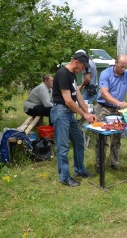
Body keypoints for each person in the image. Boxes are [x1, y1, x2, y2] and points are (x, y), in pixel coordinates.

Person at [50, 51, 97, 187]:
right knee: (63, 146)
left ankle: (80, 170)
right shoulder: (63, 74)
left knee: (78, 141)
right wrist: (84, 115)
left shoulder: (72, 75)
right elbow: (68, 101)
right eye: (83, 66)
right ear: (77, 62)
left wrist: (88, 112)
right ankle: (65, 177)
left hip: (68, 114)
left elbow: (78, 96)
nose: (84, 69)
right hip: (61, 113)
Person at [94, 54, 127, 171]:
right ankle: (100, 165)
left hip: (117, 111)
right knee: (101, 137)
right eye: (122, 66)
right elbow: (104, 93)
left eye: (126, 66)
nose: (124, 69)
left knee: (117, 137)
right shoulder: (106, 74)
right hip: (103, 108)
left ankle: (114, 162)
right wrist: (118, 103)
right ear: (115, 63)